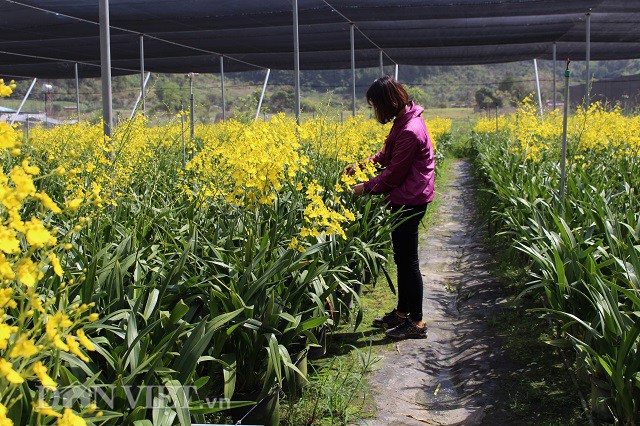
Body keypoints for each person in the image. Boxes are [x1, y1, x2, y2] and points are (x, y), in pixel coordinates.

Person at [348, 76, 435, 339]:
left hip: (410, 199)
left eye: (376, 105)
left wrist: (365, 187)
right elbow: (386, 157)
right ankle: (401, 312)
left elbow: (394, 174)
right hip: (405, 197)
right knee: (401, 258)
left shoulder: (410, 130)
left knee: (408, 262)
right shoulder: (403, 120)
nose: (375, 111)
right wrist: (362, 165)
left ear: (388, 102)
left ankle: (417, 323)